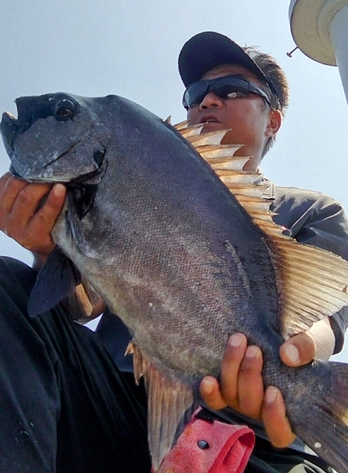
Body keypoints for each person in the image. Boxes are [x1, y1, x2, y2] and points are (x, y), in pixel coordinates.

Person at [0, 30, 347, 473]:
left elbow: (329, 320)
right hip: (122, 409)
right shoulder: (137, 178)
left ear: (272, 121)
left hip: (255, 441)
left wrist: (292, 362)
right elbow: (79, 304)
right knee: (7, 285)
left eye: (232, 89)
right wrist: (48, 251)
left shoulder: (313, 210)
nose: (207, 101)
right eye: (196, 92)